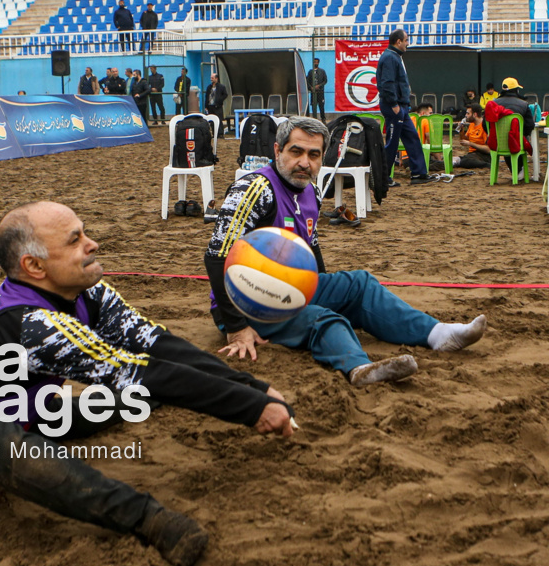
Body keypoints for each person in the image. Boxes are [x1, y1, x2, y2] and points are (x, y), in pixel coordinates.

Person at [0, 201, 295, 566]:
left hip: (6, 420)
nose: (91, 243)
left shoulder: (88, 292)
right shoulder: (32, 323)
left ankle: (23, 432)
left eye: (84, 231)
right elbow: (140, 368)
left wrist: (252, 387)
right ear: (34, 266)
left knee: (113, 399)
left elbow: (157, 346)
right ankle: (149, 520)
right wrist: (250, 407)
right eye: (75, 239)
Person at [206, 117, 488, 384]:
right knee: (325, 319)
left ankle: (439, 334)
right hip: (249, 302)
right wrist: (236, 327)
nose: (304, 162)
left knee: (361, 284)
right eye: (296, 152)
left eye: (314, 155)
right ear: (278, 150)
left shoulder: (310, 191)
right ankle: (360, 369)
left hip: (292, 284)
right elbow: (217, 256)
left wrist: (325, 291)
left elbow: (311, 247)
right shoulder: (254, 188)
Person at [377, 29, 429, 186]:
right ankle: (383, 179)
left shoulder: (394, 57)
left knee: (412, 137)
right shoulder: (389, 58)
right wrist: (393, 104)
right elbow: (387, 83)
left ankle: (419, 173)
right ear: (398, 42)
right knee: (392, 142)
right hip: (395, 107)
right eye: (406, 40)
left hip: (402, 107)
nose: (408, 43)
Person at [452, 103, 492, 168]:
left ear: (475, 114)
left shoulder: (484, 126)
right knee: (454, 159)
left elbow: (488, 149)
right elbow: (464, 141)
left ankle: (486, 165)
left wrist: (470, 143)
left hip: (483, 155)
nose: (466, 116)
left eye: (468, 113)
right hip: (472, 154)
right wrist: (461, 130)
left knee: (465, 161)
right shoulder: (472, 124)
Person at [306, 58, 327, 122]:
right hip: (313, 92)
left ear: (318, 63)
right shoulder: (310, 72)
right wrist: (311, 87)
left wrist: (319, 86)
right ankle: (314, 119)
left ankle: (323, 118)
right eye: (314, 62)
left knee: (321, 105)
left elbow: (325, 81)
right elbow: (307, 81)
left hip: (320, 92)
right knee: (313, 105)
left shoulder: (322, 71)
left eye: (317, 62)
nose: (316, 63)